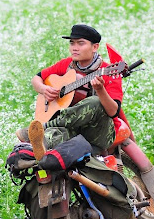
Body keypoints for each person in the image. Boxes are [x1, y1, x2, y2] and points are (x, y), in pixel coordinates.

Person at [17, 24, 125, 159]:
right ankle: (40, 145)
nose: (74, 47)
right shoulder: (67, 64)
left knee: (95, 102)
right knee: (52, 138)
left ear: (95, 47)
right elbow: (37, 78)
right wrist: (44, 89)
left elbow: (113, 111)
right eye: (72, 43)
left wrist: (100, 90)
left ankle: (42, 127)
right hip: (71, 129)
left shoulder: (108, 71)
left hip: (98, 133)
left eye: (81, 43)